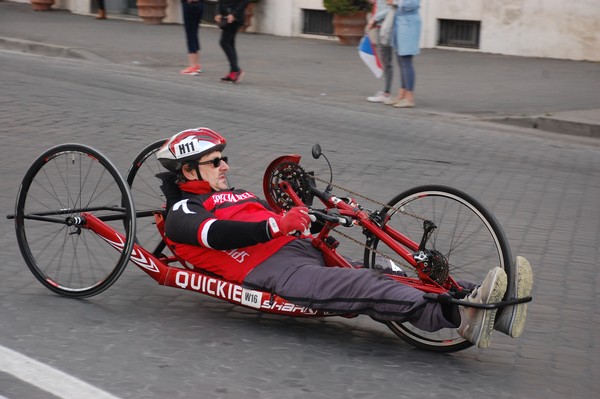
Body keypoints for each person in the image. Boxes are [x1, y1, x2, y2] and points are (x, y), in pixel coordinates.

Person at [156, 128, 534, 348]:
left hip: (301, 249)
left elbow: (281, 213)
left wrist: (313, 214)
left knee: (388, 269)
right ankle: (460, 315)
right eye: (215, 161)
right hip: (270, 271)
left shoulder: (237, 194)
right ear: (188, 170)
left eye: (224, 157)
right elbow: (217, 234)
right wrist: (275, 226)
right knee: (364, 283)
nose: (226, 165)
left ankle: (488, 300)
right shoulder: (183, 212)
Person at [385, 0, 421, 108]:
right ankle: (401, 95)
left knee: (406, 61)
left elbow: (412, 4)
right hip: (400, 24)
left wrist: (395, 2)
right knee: (401, 61)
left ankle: (409, 98)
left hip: (408, 25)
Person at [366, 0, 395, 103]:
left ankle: (386, 93)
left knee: (386, 60)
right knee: (385, 60)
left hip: (384, 27)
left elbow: (389, 9)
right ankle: (386, 91)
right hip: (381, 25)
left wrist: (374, 19)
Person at [215, 0, 249, 83]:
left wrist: (234, 14)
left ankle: (236, 70)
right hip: (227, 16)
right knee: (230, 43)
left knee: (224, 42)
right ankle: (233, 71)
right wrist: (218, 13)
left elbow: (245, 1)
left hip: (235, 17)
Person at [180, 0, 206, 76]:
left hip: (190, 4)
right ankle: (196, 65)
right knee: (194, 33)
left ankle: (193, 66)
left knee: (190, 34)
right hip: (200, 4)